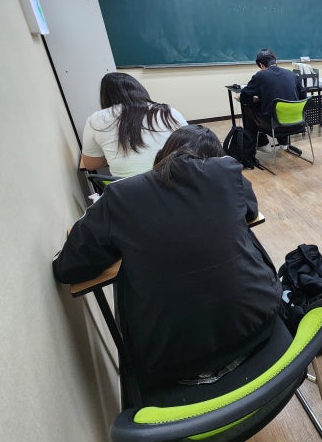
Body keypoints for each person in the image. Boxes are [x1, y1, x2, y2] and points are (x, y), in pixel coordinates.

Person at [53, 125, 281, 393]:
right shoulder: (226, 172)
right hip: (261, 329)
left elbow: (69, 268)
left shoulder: (120, 196)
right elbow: (250, 210)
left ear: (163, 154)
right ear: (214, 159)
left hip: (174, 366)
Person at [81, 72, 187, 177]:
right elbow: (192, 145)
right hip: (175, 181)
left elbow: (91, 165)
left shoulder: (97, 119)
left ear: (105, 97)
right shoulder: (168, 111)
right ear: (140, 90)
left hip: (129, 186)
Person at [240, 48, 306, 151]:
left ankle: (261, 144)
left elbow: (243, 97)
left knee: (248, 108)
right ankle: (284, 143)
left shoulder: (260, 76)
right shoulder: (292, 74)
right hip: (297, 122)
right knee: (281, 108)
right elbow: (303, 96)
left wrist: (257, 99)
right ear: (275, 61)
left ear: (261, 65)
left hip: (274, 125)